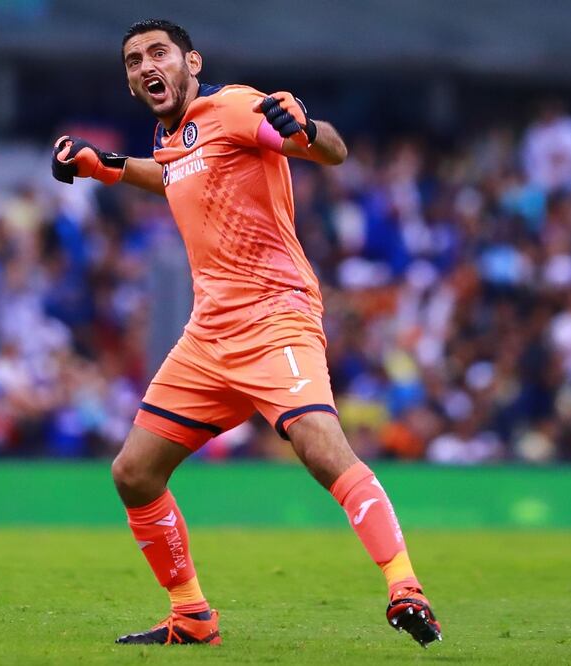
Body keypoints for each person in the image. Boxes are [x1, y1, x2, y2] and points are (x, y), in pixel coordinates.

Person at [52, 19, 441, 649]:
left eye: (158, 53)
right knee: (134, 474)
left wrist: (307, 129)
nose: (145, 66)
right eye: (133, 60)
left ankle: (405, 587)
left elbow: (332, 151)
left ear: (192, 62)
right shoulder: (173, 138)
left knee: (321, 448)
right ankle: (191, 616)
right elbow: (175, 172)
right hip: (209, 336)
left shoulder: (232, 107)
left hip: (275, 317)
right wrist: (107, 167)